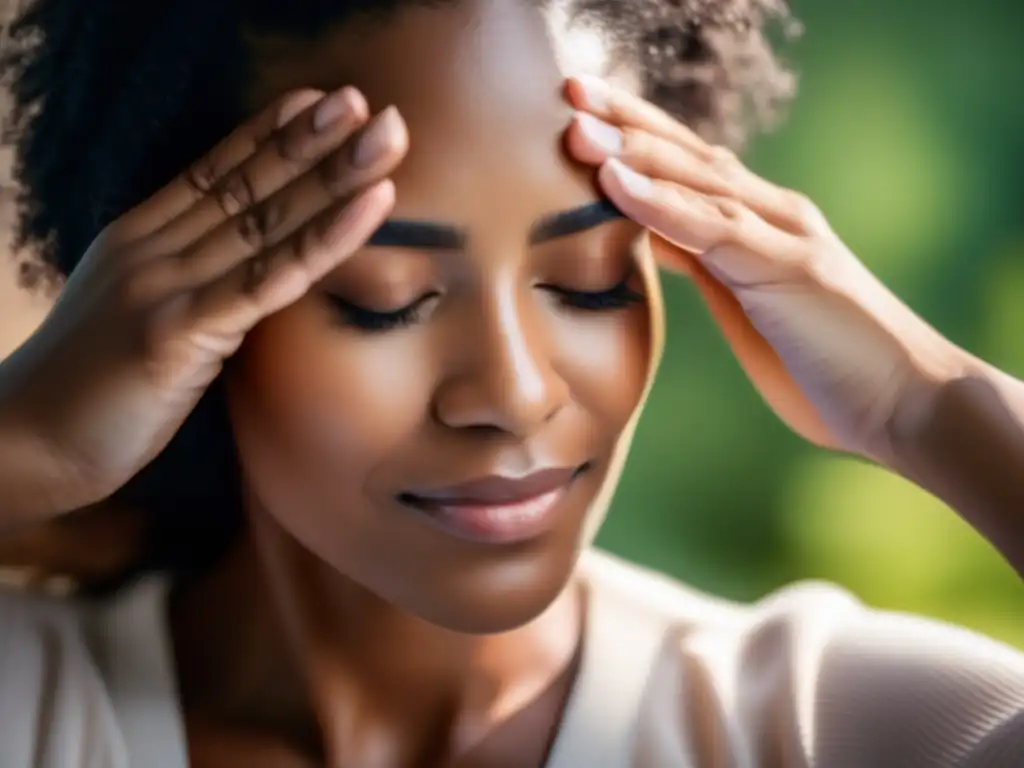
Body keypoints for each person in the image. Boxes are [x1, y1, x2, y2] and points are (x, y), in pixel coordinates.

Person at [0, 0, 1023, 765]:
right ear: (167, 309)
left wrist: (928, 404)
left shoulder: (827, 728)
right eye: (385, 298)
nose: (516, 390)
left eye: (584, 283)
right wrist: (23, 448)